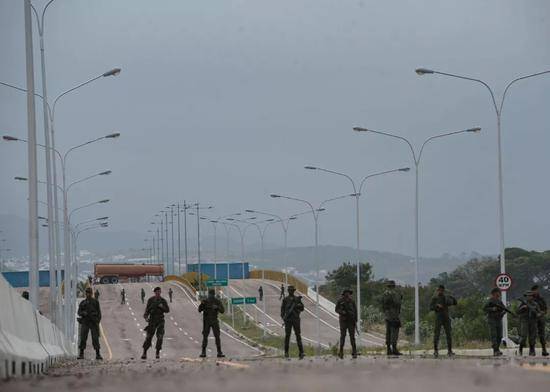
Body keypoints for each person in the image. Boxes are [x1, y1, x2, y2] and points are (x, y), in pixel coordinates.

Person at [141, 286, 170, 359]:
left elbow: (167, 310)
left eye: (159, 292)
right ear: (155, 292)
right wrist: (146, 316)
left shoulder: (163, 300)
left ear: (160, 292)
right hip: (152, 320)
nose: (158, 293)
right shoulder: (151, 300)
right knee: (148, 337)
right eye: (157, 292)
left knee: (160, 337)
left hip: (160, 321)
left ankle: (157, 353)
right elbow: (147, 309)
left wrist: (162, 307)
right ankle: (144, 352)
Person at [430, 285, 457, 357]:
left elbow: (454, 303)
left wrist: (452, 297)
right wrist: (437, 306)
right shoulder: (435, 298)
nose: (440, 291)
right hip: (438, 317)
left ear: (443, 290)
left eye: (441, 290)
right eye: (439, 290)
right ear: (438, 290)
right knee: (437, 334)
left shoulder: (446, 297)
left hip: (446, 317)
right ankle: (435, 351)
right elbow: (431, 307)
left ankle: (450, 351)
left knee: (448, 334)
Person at [198, 288, 225, 358]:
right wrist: (202, 304)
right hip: (207, 321)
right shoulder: (205, 301)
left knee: (217, 336)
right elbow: (199, 310)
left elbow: (222, 310)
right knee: (205, 336)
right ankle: (203, 352)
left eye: (211, 295)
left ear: (213, 294)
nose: (211, 296)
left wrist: (217, 307)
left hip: (214, 320)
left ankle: (219, 352)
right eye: (210, 295)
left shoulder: (217, 301)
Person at [77, 287, 102, 360]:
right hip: (85, 322)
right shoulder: (83, 303)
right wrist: (83, 313)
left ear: (91, 293)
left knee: (95, 338)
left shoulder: (95, 302)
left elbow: (99, 313)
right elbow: (79, 312)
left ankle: (98, 354)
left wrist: (97, 321)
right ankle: (81, 354)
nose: (88, 294)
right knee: (83, 338)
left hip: (93, 322)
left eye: (89, 293)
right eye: (87, 293)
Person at [281, 285, 304, 359]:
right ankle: (286, 352)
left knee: (298, 335)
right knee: (287, 336)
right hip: (288, 320)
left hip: (296, 319)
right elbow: (282, 312)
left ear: (294, 291)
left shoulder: (297, 299)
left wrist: (297, 306)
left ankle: (301, 352)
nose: (291, 291)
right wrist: (284, 319)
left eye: (292, 290)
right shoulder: (285, 300)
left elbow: (302, 308)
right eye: (290, 290)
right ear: (288, 291)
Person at [483, 288, 508, 356]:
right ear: (493, 294)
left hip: (498, 319)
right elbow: (484, 308)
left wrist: (502, 314)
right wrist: (492, 309)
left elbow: (504, 309)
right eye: (497, 294)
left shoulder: (499, 302)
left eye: (499, 294)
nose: (498, 295)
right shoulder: (490, 301)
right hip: (492, 320)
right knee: (494, 335)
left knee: (499, 336)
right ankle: (495, 350)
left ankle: (497, 349)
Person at [381, 280, 403, 356]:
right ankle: (394, 348)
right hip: (394, 315)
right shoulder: (394, 294)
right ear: (393, 286)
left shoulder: (385, 294)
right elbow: (398, 303)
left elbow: (383, 305)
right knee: (394, 332)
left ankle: (388, 349)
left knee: (388, 332)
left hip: (387, 315)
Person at [335, 288, 357, 359]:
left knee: (352, 337)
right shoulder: (340, 301)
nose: (348, 294)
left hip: (351, 321)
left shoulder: (352, 301)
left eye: (349, 293)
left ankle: (354, 352)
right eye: (346, 293)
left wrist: (355, 320)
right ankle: (341, 351)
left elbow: (355, 311)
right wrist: (342, 312)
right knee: (343, 336)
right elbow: (336, 309)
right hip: (343, 321)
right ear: (344, 294)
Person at [517, 291, 541, 356]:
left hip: (533, 321)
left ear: (532, 297)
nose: (529, 297)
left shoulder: (535, 304)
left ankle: (532, 350)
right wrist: (523, 308)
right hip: (525, 321)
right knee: (523, 336)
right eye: (528, 296)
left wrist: (538, 314)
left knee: (532, 336)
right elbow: (517, 311)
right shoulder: (522, 303)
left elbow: (539, 312)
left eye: (530, 296)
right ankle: (520, 348)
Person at [531, 285, 548, 356]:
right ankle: (532, 350)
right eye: (534, 290)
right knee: (533, 334)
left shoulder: (541, 298)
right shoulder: (530, 298)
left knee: (542, 335)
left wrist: (541, 313)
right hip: (533, 318)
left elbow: (545, 309)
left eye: (537, 290)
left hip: (541, 318)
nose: (536, 291)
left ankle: (544, 349)